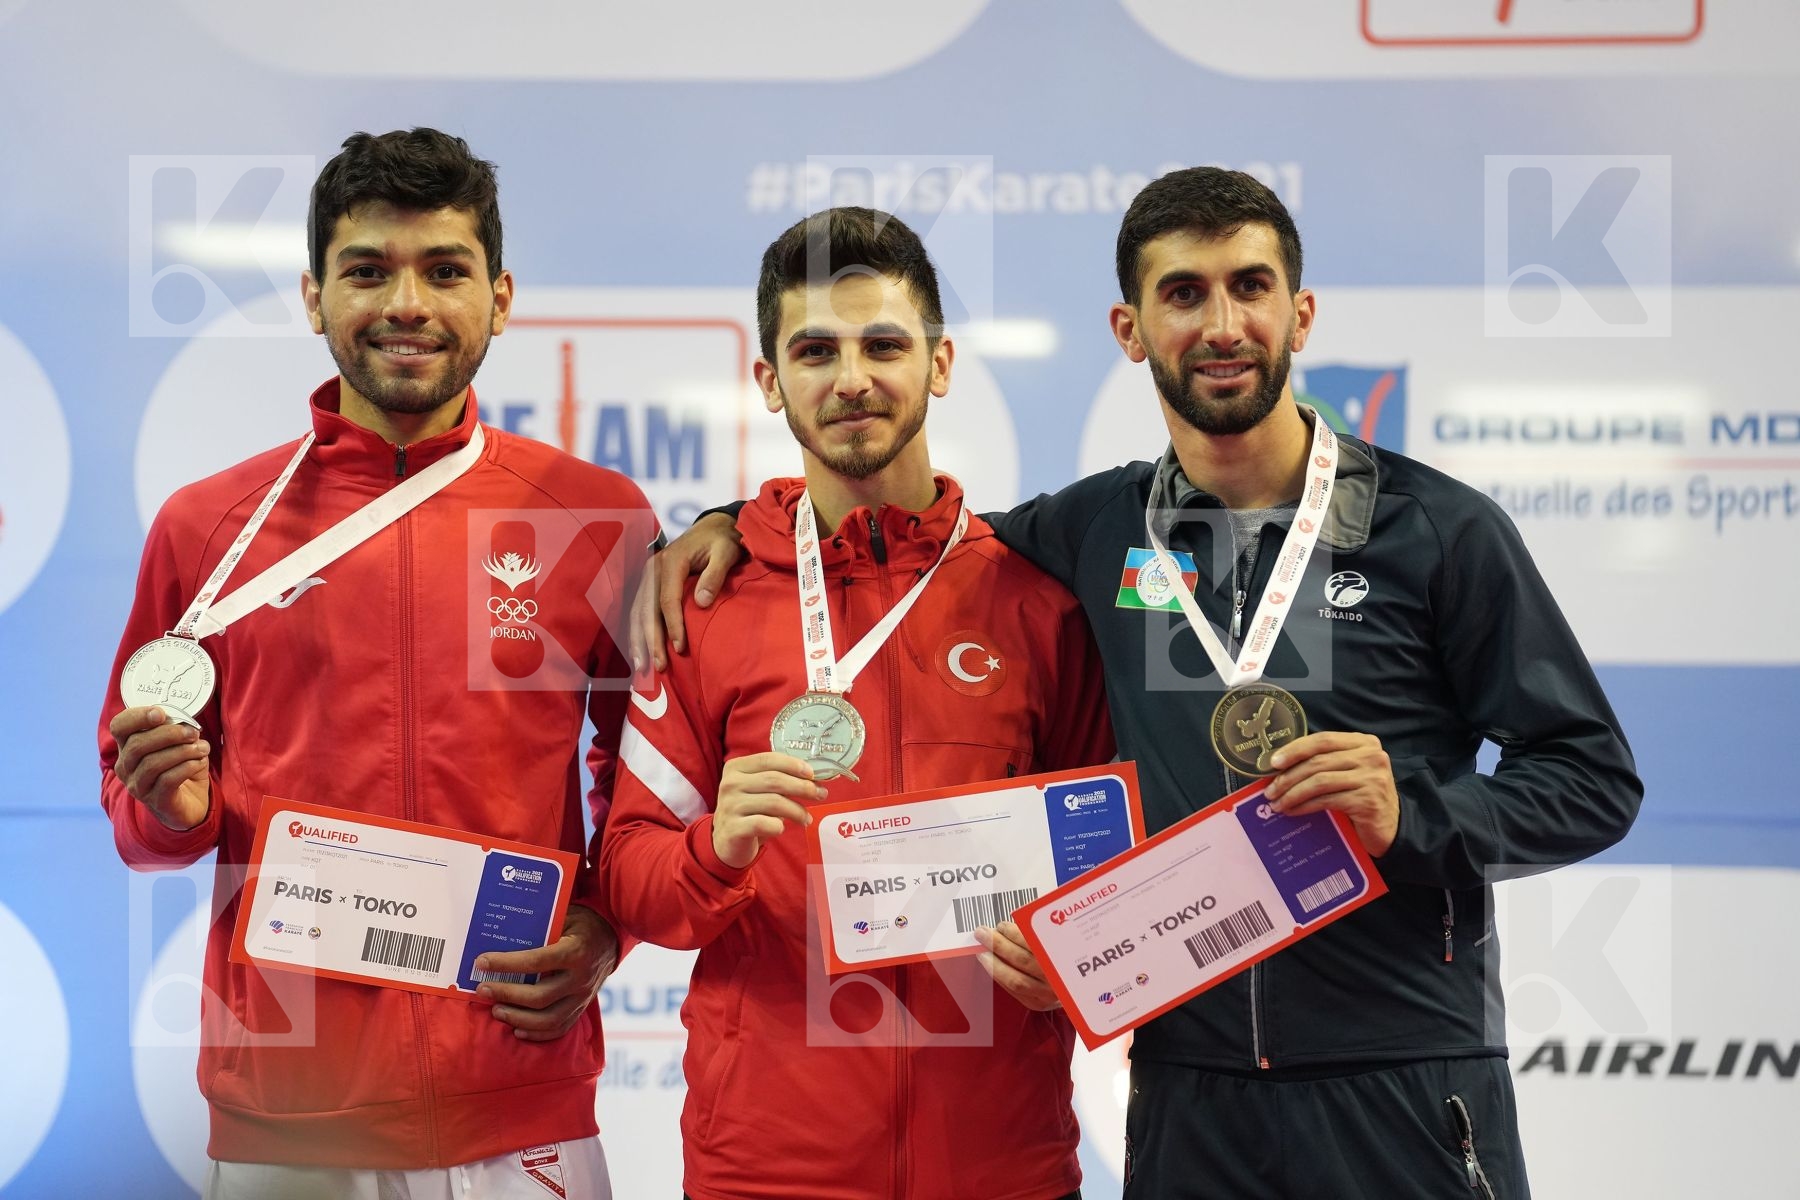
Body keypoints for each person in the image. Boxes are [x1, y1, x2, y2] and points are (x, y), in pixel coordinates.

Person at [641, 169, 1643, 1199]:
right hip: (1188, 1093)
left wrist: (1415, 815)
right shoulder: (1090, 533)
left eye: (1249, 286)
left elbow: (1592, 778)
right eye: (1183, 293)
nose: (1222, 324)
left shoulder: (1437, 531)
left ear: (1299, 312)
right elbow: (893, 529)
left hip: (1404, 1079)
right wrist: (725, 526)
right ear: (1130, 328)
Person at [101, 128, 658, 1200]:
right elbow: (138, 818)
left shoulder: (594, 517)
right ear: (314, 297)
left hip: (518, 1092)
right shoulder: (206, 525)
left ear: (500, 296)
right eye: (368, 270)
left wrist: (605, 928)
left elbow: (649, 781)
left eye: (445, 271)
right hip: (288, 1115)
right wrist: (169, 808)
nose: (407, 303)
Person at [600, 207, 1114, 1200]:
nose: (852, 379)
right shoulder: (703, 601)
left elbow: (1108, 850)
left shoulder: (1034, 602)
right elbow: (628, 872)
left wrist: (1077, 954)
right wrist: (717, 852)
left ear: (942, 362)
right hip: (767, 1168)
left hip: (1001, 1164)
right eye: (815, 351)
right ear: (769, 381)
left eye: (884, 344)